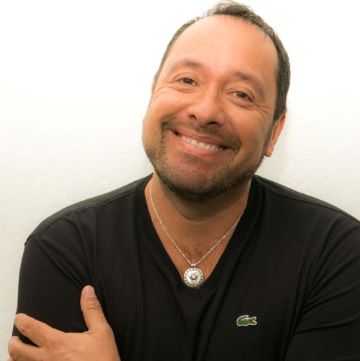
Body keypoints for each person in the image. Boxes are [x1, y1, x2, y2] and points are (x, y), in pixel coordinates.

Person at [8, 1, 360, 360]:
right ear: (152, 94)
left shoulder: (337, 255)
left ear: (274, 132)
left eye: (241, 94)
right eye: (187, 80)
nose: (206, 111)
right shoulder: (64, 249)